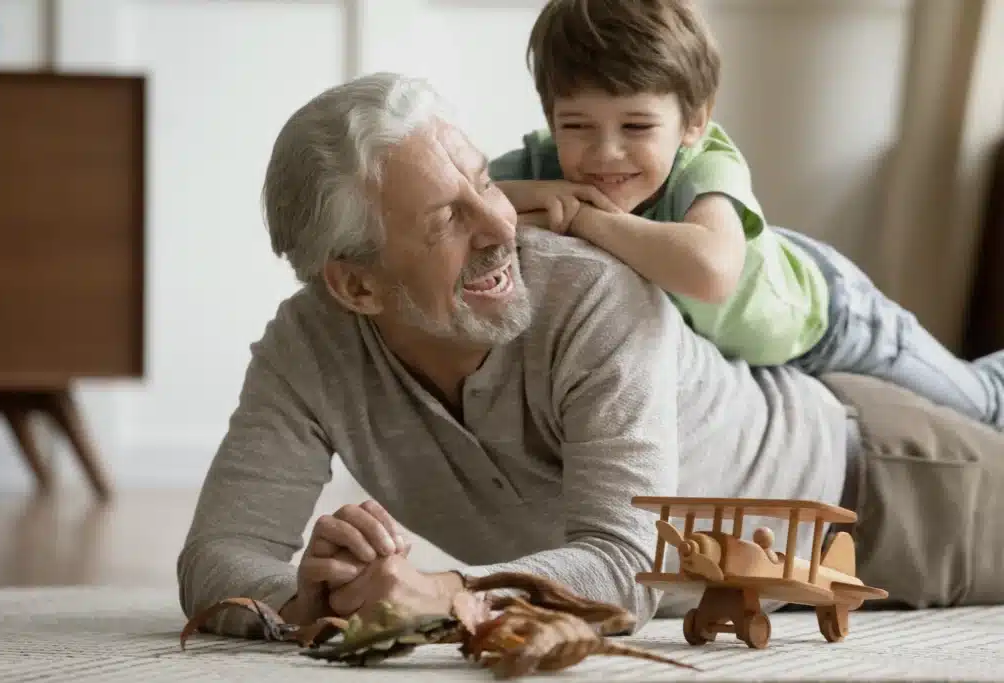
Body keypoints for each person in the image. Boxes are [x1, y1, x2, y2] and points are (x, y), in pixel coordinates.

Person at [177, 72, 1004, 640]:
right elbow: (216, 554)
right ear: (356, 288)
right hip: (752, 573)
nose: (503, 223)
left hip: (889, 483)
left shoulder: (594, 297)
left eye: (483, 181)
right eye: (444, 220)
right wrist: (311, 597)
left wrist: (443, 595)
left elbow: (621, 561)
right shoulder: (307, 346)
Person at [489, 0, 1004, 431]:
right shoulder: (545, 165)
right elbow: (445, 199)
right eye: (576, 125)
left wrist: (581, 218)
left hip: (831, 320)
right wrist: (529, 192)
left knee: (979, 405)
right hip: (757, 352)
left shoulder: (706, 161)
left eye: (638, 127)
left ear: (694, 122)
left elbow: (709, 273)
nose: (605, 153)